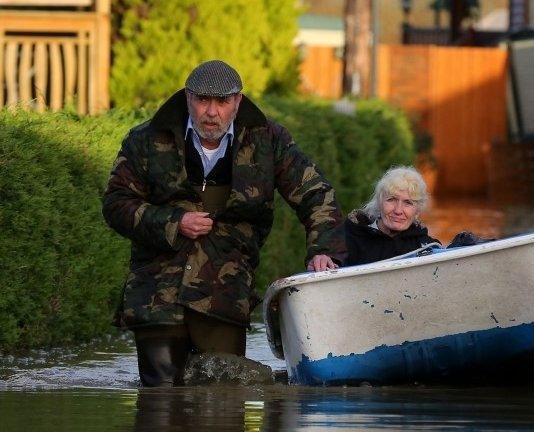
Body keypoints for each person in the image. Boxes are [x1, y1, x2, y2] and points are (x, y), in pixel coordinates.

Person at [102, 60, 345, 387]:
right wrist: (175, 222)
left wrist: (323, 251)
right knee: (158, 405)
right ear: (188, 97)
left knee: (223, 403)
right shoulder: (145, 139)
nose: (211, 112)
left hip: (225, 294)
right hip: (156, 294)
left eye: (222, 102)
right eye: (203, 100)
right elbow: (115, 203)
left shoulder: (269, 140)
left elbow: (316, 194)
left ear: (238, 102)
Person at [343, 166, 440, 266]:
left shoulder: (427, 248)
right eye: (391, 199)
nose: (398, 210)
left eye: (408, 202)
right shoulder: (347, 237)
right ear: (379, 203)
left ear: (417, 210)